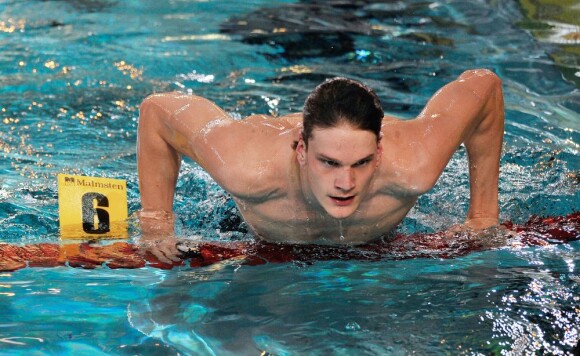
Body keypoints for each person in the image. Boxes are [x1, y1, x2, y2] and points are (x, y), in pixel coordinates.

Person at [137, 69, 504, 263]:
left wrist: (483, 214)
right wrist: (155, 222)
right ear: (301, 150)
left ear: (379, 153)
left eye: (360, 163)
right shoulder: (246, 166)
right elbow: (157, 111)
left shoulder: (414, 164)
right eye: (328, 163)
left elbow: (484, 87)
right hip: (256, 225)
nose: (345, 182)